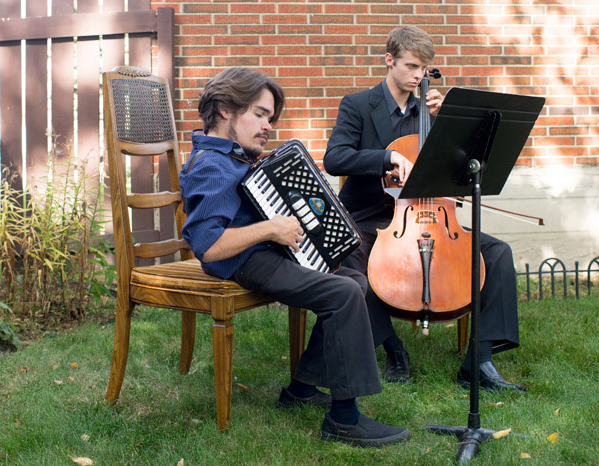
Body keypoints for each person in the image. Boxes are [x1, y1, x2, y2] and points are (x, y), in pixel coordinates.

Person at [179, 67, 411, 447]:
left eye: (270, 118)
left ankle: (301, 389)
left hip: (262, 255)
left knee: (352, 280)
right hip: (245, 262)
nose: (267, 125)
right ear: (225, 110)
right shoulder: (211, 165)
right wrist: (272, 229)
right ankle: (344, 418)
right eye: (259, 114)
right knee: (344, 294)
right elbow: (208, 246)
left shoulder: (230, 156)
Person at [323, 26, 525, 392]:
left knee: (497, 253)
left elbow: (458, 167)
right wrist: (386, 157)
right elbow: (335, 158)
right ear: (389, 60)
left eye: (424, 69)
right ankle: (393, 347)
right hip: (375, 216)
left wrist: (450, 126)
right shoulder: (357, 105)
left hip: (432, 215)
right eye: (412, 66)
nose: (419, 76)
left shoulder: (430, 111)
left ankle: (479, 361)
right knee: (348, 258)